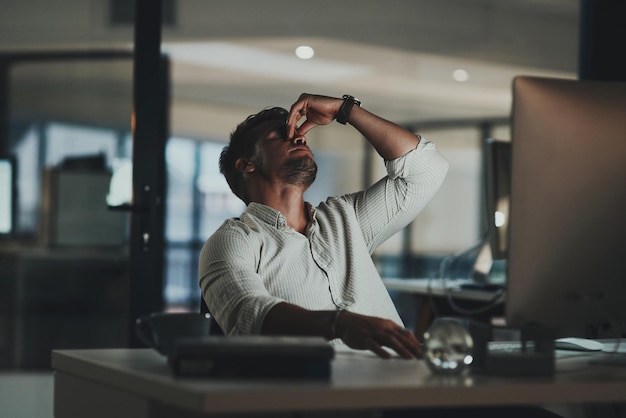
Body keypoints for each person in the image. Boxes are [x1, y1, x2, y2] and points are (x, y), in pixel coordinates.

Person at [198, 93, 449, 359]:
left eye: (298, 133)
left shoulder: (346, 217)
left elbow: (427, 168)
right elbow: (249, 314)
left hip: (407, 383)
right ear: (246, 165)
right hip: (322, 393)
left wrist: (346, 109)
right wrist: (339, 324)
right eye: (280, 136)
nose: (299, 137)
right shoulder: (232, 240)